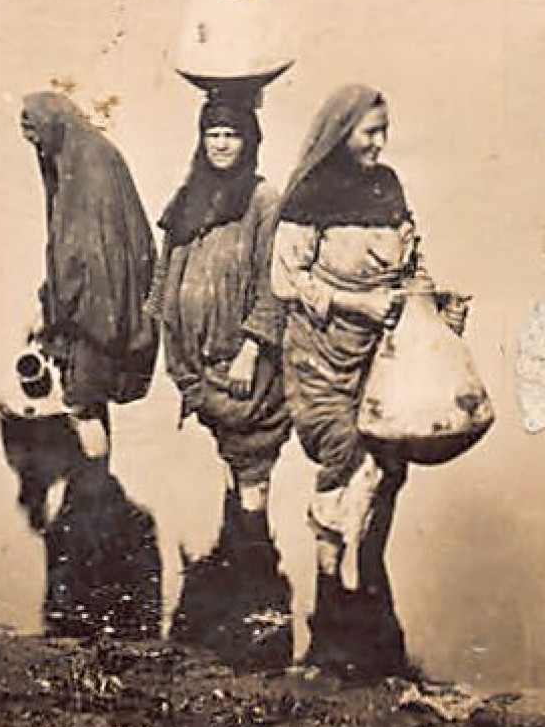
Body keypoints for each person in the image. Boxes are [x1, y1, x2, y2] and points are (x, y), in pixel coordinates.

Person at [271, 83, 463, 680]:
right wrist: (358, 305)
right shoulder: (308, 195)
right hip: (319, 359)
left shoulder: (389, 188)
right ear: (340, 132)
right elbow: (286, 281)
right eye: (367, 132)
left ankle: (368, 574)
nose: (379, 142)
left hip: (384, 355)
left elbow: (413, 263)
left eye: (384, 130)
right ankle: (330, 598)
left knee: (389, 465)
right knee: (346, 457)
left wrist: (436, 307)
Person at [147, 79, 293, 665]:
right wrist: (155, 326)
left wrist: (253, 348)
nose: (222, 145)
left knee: (253, 462)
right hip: (193, 363)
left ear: (249, 140)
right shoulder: (190, 197)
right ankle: (218, 605)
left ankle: (258, 600)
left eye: (232, 134)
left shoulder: (264, 202)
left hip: (242, 366)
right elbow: (167, 270)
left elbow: (273, 283)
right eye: (213, 133)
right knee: (233, 465)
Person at [19, 91, 158, 477]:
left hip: (98, 314)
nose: (38, 152)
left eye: (38, 141)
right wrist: (45, 302)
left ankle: (95, 492)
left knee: (83, 402)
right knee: (90, 402)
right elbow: (70, 252)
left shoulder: (91, 170)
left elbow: (97, 259)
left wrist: (63, 315)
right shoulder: (82, 160)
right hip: (94, 307)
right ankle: (97, 492)